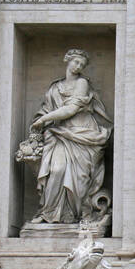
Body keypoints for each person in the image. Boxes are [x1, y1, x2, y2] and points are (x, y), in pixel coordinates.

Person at [28, 49, 112, 224]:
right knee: (57, 170)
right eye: (76, 62)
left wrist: (44, 119)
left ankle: (74, 215)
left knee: (79, 179)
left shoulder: (82, 83)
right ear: (67, 61)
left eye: (82, 64)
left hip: (83, 133)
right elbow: (46, 109)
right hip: (60, 134)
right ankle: (49, 213)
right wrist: (41, 119)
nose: (78, 66)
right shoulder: (54, 88)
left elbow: (71, 109)